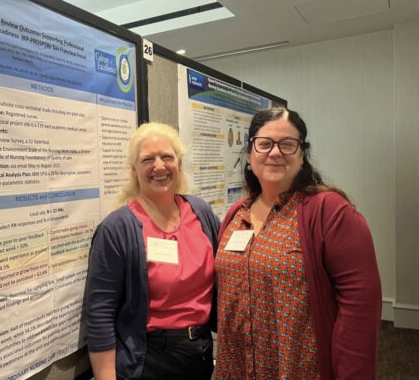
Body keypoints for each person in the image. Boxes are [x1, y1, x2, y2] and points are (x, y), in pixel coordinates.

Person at [214, 107, 382, 379]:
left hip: (299, 369)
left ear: (302, 155)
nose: (275, 152)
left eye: (288, 144)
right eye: (265, 144)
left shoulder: (330, 212)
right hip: (238, 368)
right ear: (249, 154)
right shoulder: (236, 215)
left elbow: (360, 310)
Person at [85, 122, 220, 380]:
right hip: (147, 361)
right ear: (135, 169)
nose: (159, 166)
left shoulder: (201, 212)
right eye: (148, 159)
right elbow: (100, 311)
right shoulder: (117, 229)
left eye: (167, 157)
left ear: (179, 164)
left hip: (200, 355)